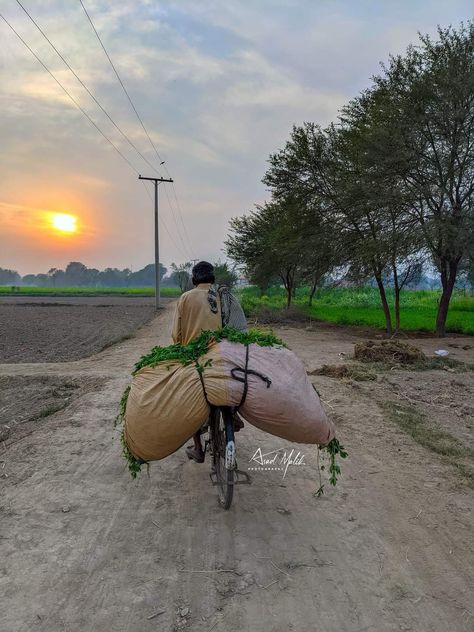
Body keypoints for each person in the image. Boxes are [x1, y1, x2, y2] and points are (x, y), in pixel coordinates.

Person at [171, 261, 247, 462]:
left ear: (194, 280)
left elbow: (176, 333)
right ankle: (233, 414)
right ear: (212, 279)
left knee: (189, 399)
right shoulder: (221, 296)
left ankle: (197, 448)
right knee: (231, 379)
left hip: (194, 355)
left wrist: (180, 347)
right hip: (220, 352)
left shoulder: (186, 298)